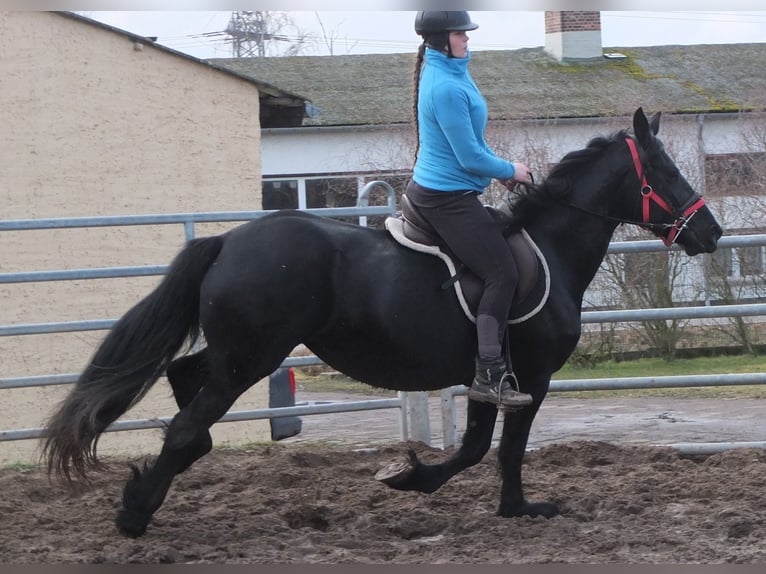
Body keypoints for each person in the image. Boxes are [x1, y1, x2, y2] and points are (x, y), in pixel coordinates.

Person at [406, 11, 533, 409]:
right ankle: (489, 374)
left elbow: (473, 143)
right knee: (502, 272)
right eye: (461, 33)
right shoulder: (444, 86)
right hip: (445, 198)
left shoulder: (454, 72)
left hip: (457, 191)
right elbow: (470, 155)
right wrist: (509, 169)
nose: (467, 39)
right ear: (441, 38)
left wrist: (498, 173)